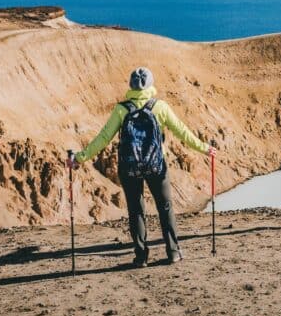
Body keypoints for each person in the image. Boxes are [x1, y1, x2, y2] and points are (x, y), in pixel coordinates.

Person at [69, 67, 216, 267]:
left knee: (136, 210)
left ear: (131, 85)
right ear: (150, 85)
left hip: (129, 168)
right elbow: (182, 131)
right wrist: (205, 148)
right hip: (156, 165)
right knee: (165, 207)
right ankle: (173, 252)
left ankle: (141, 257)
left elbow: (103, 138)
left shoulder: (122, 109)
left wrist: (80, 158)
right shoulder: (160, 107)